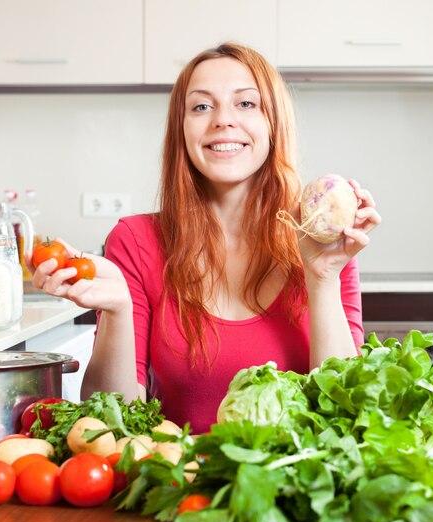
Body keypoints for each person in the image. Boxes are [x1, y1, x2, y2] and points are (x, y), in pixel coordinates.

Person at [30, 42, 381, 434]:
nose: (223, 120)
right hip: (181, 485)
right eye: (201, 106)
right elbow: (110, 424)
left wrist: (322, 276)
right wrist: (117, 311)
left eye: (246, 104)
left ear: (273, 123)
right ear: (182, 129)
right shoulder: (136, 240)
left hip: (292, 488)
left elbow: (346, 417)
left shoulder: (324, 247)